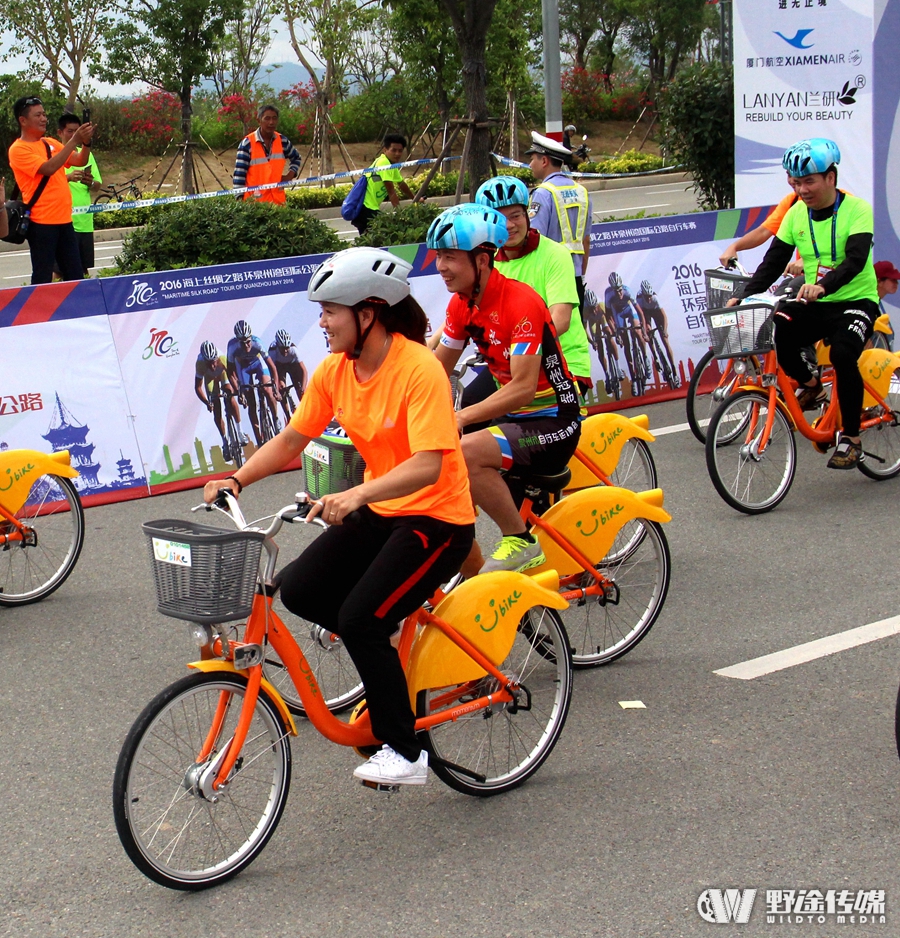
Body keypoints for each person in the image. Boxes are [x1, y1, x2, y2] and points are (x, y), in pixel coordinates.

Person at [204, 247, 475, 787]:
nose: (322, 323)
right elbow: (290, 440)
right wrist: (237, 478)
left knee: (359, 619)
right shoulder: (335, 371)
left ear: (367, 313)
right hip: (381, 512)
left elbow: (427, 467)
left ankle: (407, 751)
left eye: (330, 310)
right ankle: (384, 661)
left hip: (437, 519)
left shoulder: (418, 369)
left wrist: (355, 496)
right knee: (299, 590)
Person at [430, 205, 582, 575]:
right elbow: (436, 370)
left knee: (466, 451)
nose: (441, 267)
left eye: (450, 257)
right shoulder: (461, 304)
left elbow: (523, 389)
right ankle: (470, 584)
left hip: (554, 424)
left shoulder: (521, 302)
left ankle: (521, 541)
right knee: (439, 491)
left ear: (482, 260)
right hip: (513, 423)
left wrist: (461, 416)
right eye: (438, 257)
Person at [732, 138, 879, 470]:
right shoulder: (796, 214)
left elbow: (854, 262)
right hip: (816, 301)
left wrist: (822, 286)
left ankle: (853, 440)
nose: (802, 189)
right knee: (779, 326)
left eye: (808, 181)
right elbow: (773, 261)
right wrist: (744, 294)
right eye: (795, 182)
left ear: (831, 176)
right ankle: (813, 387)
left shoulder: (857, 210)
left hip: (855, 300)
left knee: (843, 355)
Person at [475, 175, 593, 395]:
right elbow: (464, 311)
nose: (509, 225)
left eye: (516, 216)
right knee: (468, 405)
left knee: (513, 423)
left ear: (528, 215)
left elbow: (560, 320)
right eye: (499, 219)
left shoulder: (555, 255)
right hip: (511, 362)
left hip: (561, 362)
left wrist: (515, 348)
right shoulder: (487, 261)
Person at [8, 95, 95, 284]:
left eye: (44, 114)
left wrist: (86, 142)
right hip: (41, 223)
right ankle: (41, 313)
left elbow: (80, 160)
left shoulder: (50, 142)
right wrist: (74, 140)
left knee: (75, 275)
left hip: (64, 220)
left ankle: (75, 312)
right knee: (43, 276)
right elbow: (48, 168)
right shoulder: (19, 149)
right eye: (38, 115)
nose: (43, 119)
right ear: (23, 120)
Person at [526, 130, 593, 310]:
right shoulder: (582, 192)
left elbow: (536, 239)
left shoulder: (543, 193)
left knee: (550, 332)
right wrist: (581, 275)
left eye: (533, 158)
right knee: (574, 333)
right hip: (576, 277)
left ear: (545, 161)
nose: (530, 164)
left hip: (551, 278)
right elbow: (586, 240)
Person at [57, 113, 102, 277]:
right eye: (70, 131)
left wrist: (89, 182)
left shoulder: (86, 154)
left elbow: (97, 185)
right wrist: (67, 178)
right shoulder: (54, 154)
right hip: (63, 220)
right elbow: (48, 181)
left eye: (78, 131)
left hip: (84, 221)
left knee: (82, 268)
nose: (75, 135)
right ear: (59, 132)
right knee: (58, 270)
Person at [226, 320, 283, 445]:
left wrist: (276, 390)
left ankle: (275, 418)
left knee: (268, 390)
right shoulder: (232, 346)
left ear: (251, 338)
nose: (246, 345)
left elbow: (272, 367)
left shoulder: (257, 343)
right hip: (243, 367)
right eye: (243, 343)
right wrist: (238, 391)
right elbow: (230, 372)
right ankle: (259, 440)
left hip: (257, 364)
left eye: (248, 341)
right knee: (251, 403)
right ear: (238, 341)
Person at [232, 105, 302, 205]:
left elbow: (296, 158)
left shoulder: (282, 141)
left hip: (278, 204)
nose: (271, 122)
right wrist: (240, 202)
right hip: (254, 205)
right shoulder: (247, 144)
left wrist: (290, 175)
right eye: (267, 118)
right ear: (259, 120)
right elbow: (239, 176)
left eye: (274, 118)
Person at [352, 134, 419, 235]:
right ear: (385, 150)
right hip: (365, 208)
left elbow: (401, 184)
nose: (397, 154)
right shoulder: (384, 163)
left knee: (373, 240)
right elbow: (391, 191)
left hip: (368, 208)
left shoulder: (391, 164)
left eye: (400, 151)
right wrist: (400, 215)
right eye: (393, 150)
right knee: (384, 234)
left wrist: (416, 198)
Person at [194, 340, 247, 462]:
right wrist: (207, 402)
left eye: (213, 362)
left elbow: (232, 377)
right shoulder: (200, 364)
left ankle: (240, 432)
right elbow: (197, 387)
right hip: (210, 379)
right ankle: (225, 442)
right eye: (209, 363)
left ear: (216, 358)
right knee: (216, 409)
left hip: (222, 374)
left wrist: (239, 393)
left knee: (230, 396)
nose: (212, 366)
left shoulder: (222, 358)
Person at [604, 272, 649, 387]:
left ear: (622, 287)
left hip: (629, 310)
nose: (618, 293)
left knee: (638, 331)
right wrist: (616, 332)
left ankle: (645, 358)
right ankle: (633, 379)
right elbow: (608, 316)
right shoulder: (609, 295)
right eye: (616, 291)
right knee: (626, 345)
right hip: (618, 314)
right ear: (612, 289)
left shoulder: (628, 291)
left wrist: (643, 330)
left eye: (620, 290)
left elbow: (640, 312)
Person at [635, 279, 679, 387]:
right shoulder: (639, 299)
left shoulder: (655, 298)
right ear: (643, 295)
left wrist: (665, 331)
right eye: (647, 297)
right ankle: (655, 356)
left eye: (650, 296)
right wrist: (645, 331)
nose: (649, 299)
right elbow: (642, 318)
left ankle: (675, 372)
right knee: (648, 333)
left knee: (665, 341)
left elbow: (664, 316)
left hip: (656, 312)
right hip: (646, 312)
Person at [268, 328, 308, 423]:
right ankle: (288, 418)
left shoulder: (293, 350)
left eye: (287, 348)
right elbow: (273, 373)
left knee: (301, 391)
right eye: (283, 348)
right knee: (281, 388)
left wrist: (302, 388)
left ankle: (307, 414)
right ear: (278, 346)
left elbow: (304, 371)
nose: (285, 351)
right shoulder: (272, 352)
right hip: (279, 366)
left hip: (293, 365)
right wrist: (276, 390)